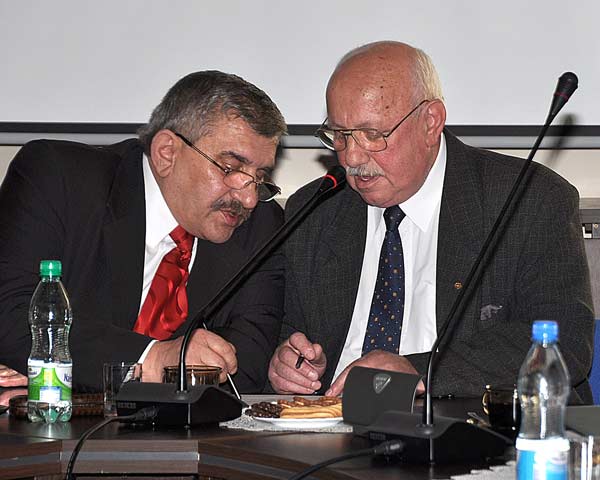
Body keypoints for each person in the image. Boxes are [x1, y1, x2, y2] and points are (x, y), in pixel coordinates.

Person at [268, 41, 594, 402]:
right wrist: (288, 363)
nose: (352, 158)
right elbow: (291, 333)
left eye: (373, 135)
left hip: (471, 418)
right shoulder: (315, 210)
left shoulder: (529, 199)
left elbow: (564, 342)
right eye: (340, 136)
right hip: (335, 421)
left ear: (431, 122)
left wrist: (421, 370)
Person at [0, 70, 287, 392]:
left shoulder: (261, 226)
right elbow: (13, 315)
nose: (248, 198)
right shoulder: (59, 179)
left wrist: (71, 369)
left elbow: (246, 365)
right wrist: (151, 359)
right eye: (231, 168)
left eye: (259, 177)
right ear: (167, 153)